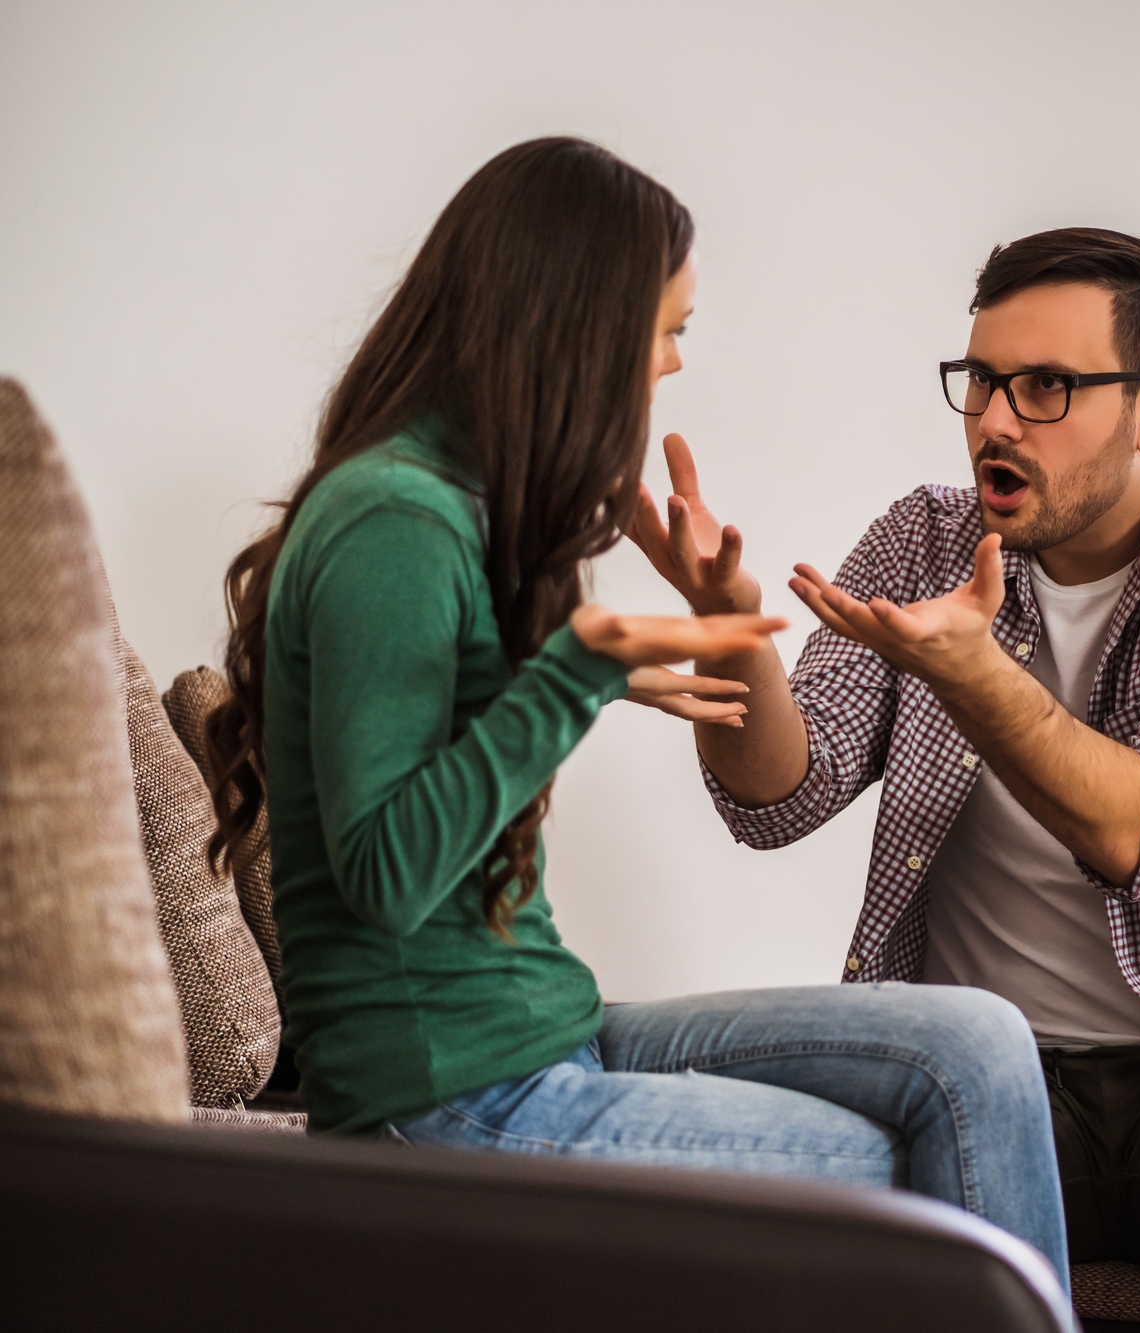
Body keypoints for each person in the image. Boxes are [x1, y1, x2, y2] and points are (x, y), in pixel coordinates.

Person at [201, 137, 1067, 1279]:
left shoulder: (451, 502)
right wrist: (572, 673)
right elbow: (384, 872)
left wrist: (572, 673)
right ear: (575, 324)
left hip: (543, 1030)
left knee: (977, 1046)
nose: (667, 364)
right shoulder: (394, 521)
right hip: (440, 1095)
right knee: (899, 1165)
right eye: (667, 329)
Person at [630, 227, 1140, 1332]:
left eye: (1045, 387)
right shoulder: (922, 539)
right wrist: (732, 634)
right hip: (980, 1071)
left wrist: (973, 677)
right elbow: (778, 797)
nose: (996, 421)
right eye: (982, 382)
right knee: (765, 1144)